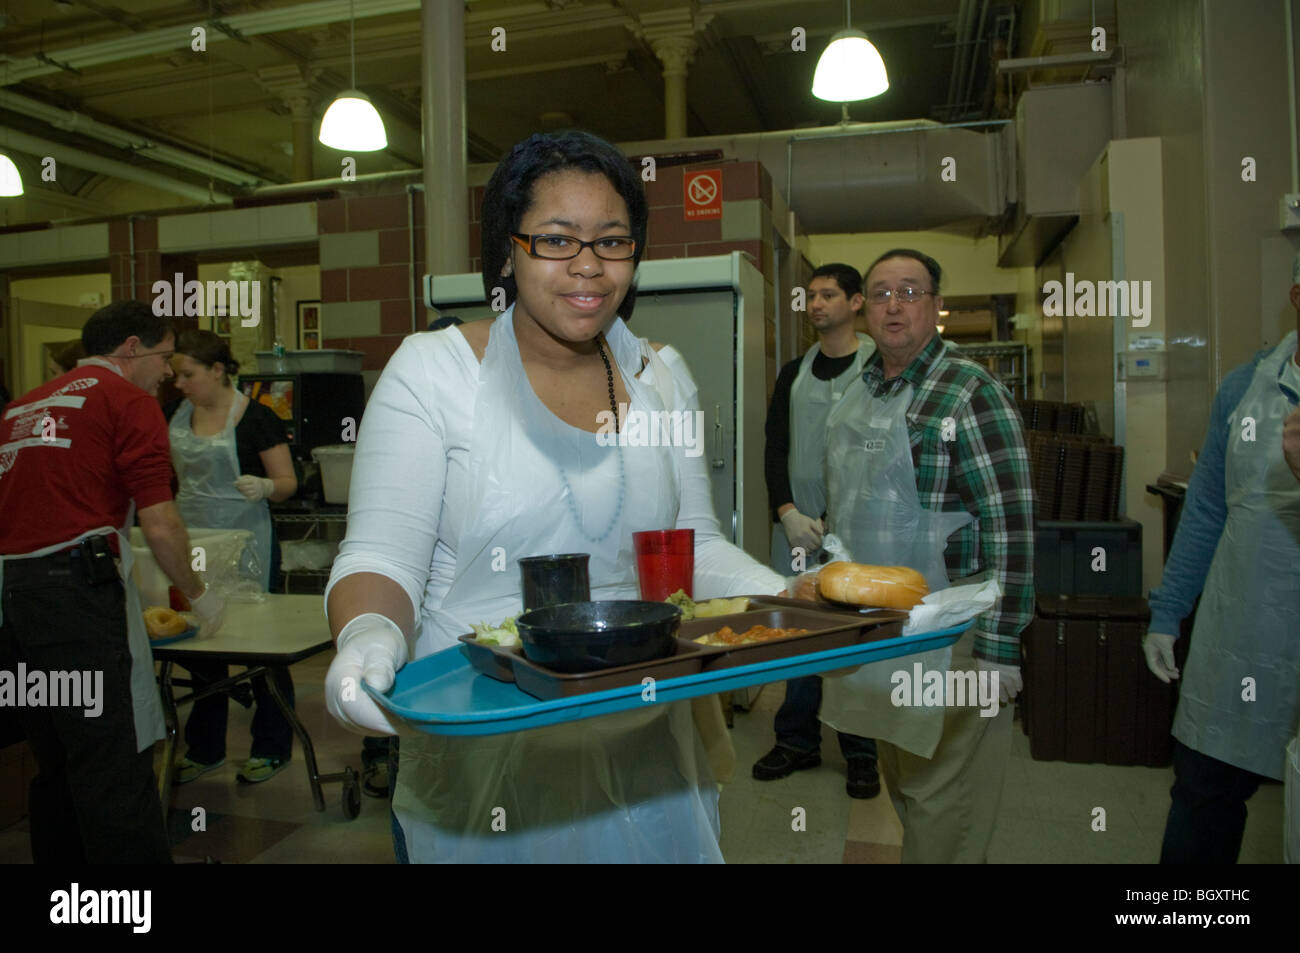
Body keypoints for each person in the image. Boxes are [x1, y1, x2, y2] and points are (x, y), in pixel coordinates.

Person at [323, 130, 788, 863]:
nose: (588, 266)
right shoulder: (433, 373)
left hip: (647, 754)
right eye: (555, 239)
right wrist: (368, 637)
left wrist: (794, 599)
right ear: (507, 250)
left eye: (612, 241)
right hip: (483, 768)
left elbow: (695, 548)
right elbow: (381, 555)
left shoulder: (662, 376)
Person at [817, 248, 1034, 863]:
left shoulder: (969, 393)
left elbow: (1010, 523)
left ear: (937, 306)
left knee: (945, 803)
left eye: (910, 292)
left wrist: (998, 649)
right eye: (881, 292)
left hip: (955, 632)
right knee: (908, 785)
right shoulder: (863, 391)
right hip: (887, 630)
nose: (894, 305)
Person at [0, 300, 224, 863]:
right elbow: (161, 522)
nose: (169, 374)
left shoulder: (22, 406)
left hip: (16, 599)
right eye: (165, 358)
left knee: (56, 758)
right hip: (77, 594)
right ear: (131, 349)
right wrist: (199, 594)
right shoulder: (126, 399)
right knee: (112, 762)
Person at [1143, 253, 1300, 863]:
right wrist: (1168, 612)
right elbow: (1207, 510)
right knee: (1206, 791)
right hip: (1244, 634)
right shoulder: (1246, 389)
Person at [755, 262, 880, 798]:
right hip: (801, 532)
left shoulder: (882, 367)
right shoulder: (794, 373)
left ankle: (861, 750)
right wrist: (785, 511)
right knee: (801, 632)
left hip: (865, 529)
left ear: (855, 303)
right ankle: (798, 740)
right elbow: (775, 448)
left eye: (828, 295)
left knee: (855, 638)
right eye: (811, 296)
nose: (815, 304)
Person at [165, 329, 298, 784]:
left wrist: (266, 487)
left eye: (188, 374)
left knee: (262, 646)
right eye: (175, 375)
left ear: (217, 370)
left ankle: (272, 746)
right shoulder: (174, 415)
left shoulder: (256, 417)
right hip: (195, 544)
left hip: (248, 544)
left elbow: (287, 483)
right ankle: (205, 747)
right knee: (202, 644)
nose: (179, 383)